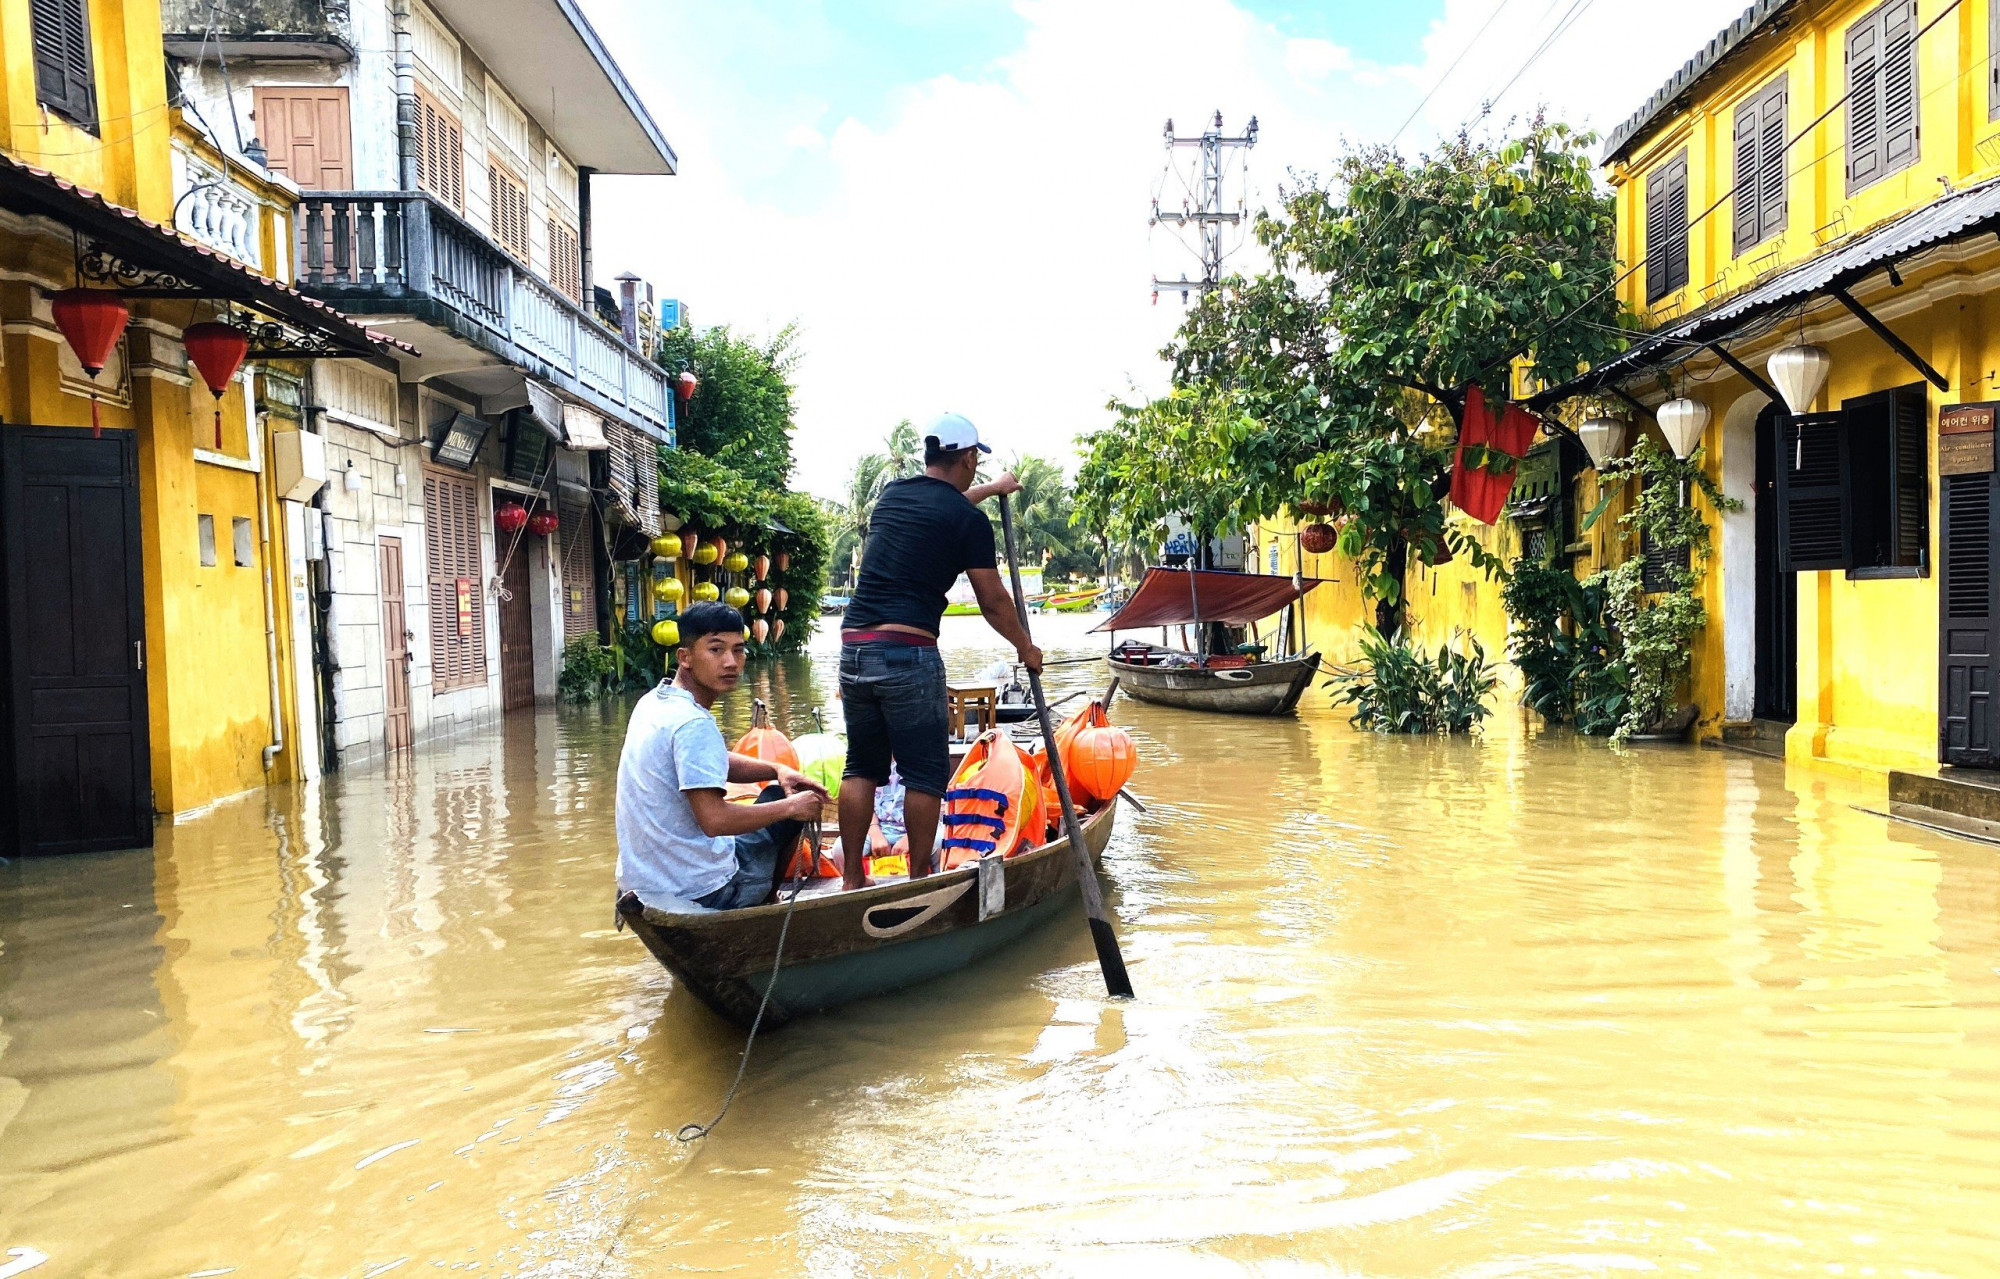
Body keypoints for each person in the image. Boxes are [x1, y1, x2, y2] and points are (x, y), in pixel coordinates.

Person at [837, 411, 1043, 891]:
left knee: (861, 766)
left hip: (854, 648)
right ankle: (918, 879)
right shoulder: (966, 522)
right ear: (969, 458)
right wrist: (1026, 648)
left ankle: (852, 881)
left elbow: (948, 505)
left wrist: (992, 491)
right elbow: (993, 602)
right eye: (975, 463)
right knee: (925, 774)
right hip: (907, 651)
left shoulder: (892, 497)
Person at [615, 601, 827, 911]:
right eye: (716, 650)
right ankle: (763, 902)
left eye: (738, 650)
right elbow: (715, 820)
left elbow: (709, 759)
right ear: (685, 657)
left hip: (647, 881)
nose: (731, 662)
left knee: (777, 789)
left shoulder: (655, 702)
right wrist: (792, 806)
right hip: (705, 890)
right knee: (790, 802)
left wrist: (777, 768)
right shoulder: (693, 723)